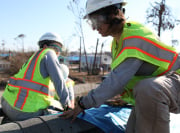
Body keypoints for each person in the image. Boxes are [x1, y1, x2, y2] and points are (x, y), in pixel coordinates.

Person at [60, 0, 180, 133]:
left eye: (96, 21)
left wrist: (83, 104)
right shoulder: (117, 43)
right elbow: (122, 79)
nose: (94, 28)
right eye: (91, 23)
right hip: (163, 88)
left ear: (114, 13)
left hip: (175, 82)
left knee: (148, 89)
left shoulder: (133, 38)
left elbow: (116, 82)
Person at [0, 32, 73, 128]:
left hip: (6, 103)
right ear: (45, 46)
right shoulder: (49, 53)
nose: (58, 53)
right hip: (23, 112)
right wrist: (67, 106)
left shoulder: (32, 59)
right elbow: (59, 81)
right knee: (56, 112)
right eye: (57, 49)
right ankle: (12, 117)